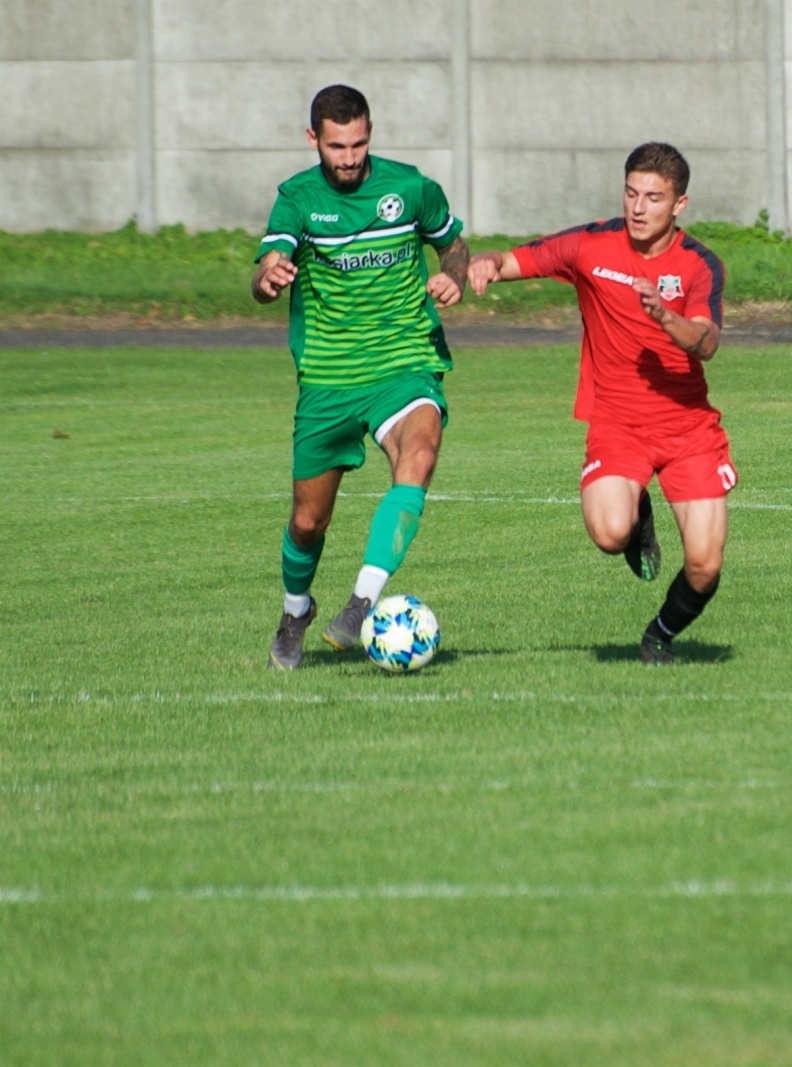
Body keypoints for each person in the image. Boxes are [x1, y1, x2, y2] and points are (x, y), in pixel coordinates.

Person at [468, 143, 732, 666]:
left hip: (688, 431)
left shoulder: (699, 264)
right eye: (631, 193)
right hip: (617, 424)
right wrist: (486, 263)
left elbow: (707, 342)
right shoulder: (592, 244)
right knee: (610, 534)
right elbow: (518, 259)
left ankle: (658, 635)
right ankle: (637, 519)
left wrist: (665, 317)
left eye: (654, 198)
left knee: (704, 566)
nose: (638, 207)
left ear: (679, 205)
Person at [255, 84, 470, 669]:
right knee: (307, 522)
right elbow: (268, 265)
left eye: (358, 144)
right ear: (313, 140)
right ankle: (296, 608)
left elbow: (454, 246)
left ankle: (359, 604)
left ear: (370, 132)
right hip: (328, 377)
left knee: (419, 458)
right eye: (336, 147)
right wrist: (270, 278)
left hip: (404, 363)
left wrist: (454, 273)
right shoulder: (296, 199)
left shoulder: (410, 187)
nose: (349, 158)